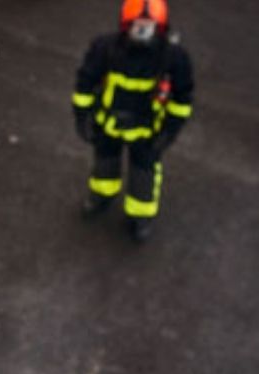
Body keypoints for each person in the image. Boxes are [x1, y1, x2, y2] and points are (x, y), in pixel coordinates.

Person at [72, 0, 194, 242]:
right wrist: (82, 117)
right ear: (125, 25)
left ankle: (140, 217)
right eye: (136, 26)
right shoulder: (105, 48)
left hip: (148, 131)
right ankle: (101, 196)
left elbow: (182, 98)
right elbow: (85, 82)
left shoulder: (173, 58)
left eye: (148, 27)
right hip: (108, 122)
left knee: (144, 175)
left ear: (161, 28)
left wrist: (169, 133)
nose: (141, 32)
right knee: (104, 166)